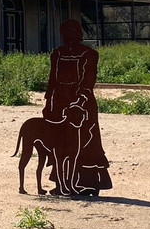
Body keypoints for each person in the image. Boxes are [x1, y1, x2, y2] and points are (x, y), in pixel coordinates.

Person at [43, 19, 111, 196]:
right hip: (60, 102)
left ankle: (87, 182)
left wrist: (80, 100)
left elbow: (89, 80)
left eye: (72, 34)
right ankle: (62, 183)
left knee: (85, 142)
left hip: (82, 104)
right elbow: (52, 80)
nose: (69, 38)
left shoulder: (89, 54)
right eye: (66, 35)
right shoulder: (57, 53)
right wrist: (48, 102)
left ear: (79, 35)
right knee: (60, 143)